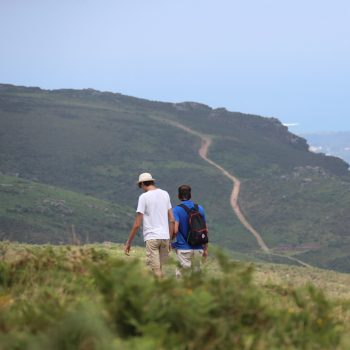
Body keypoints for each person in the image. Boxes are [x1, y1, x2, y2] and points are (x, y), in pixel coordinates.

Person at [124, 172, 175, 278]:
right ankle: (164, 291)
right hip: (165, 237)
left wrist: (129, 242)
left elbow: (137, 224)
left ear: (142, 184)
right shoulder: (165, 194)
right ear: (152, 181)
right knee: (160, 268)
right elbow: (172, 219)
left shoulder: (144, 197)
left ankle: (161, 293)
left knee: (156, 271)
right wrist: (170, 239)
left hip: (152, 237)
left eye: (140, 185)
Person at [172, 184, 208, 276]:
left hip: (183, 248)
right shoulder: (200, 208)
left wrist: (170, 242)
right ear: (190, 195)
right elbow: (205, 230)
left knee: (181, 277)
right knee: (196, 276)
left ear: (179, 196)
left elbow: (175, 230)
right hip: (198, 248)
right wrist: (205, 249)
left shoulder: (176, 210)